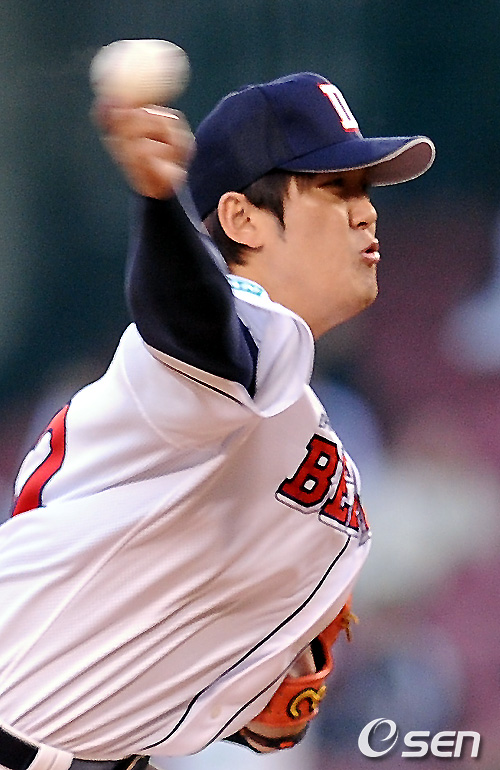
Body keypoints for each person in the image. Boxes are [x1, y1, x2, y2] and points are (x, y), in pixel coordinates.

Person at [0, 67, 435, 770]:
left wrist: (249, 682)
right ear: (242, 220)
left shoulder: (301, 422)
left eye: (367, 191)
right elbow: (190, 319)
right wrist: (157, 202)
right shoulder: (221, 345)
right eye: (336, 188)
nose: (367, 213)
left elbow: (260, 718)